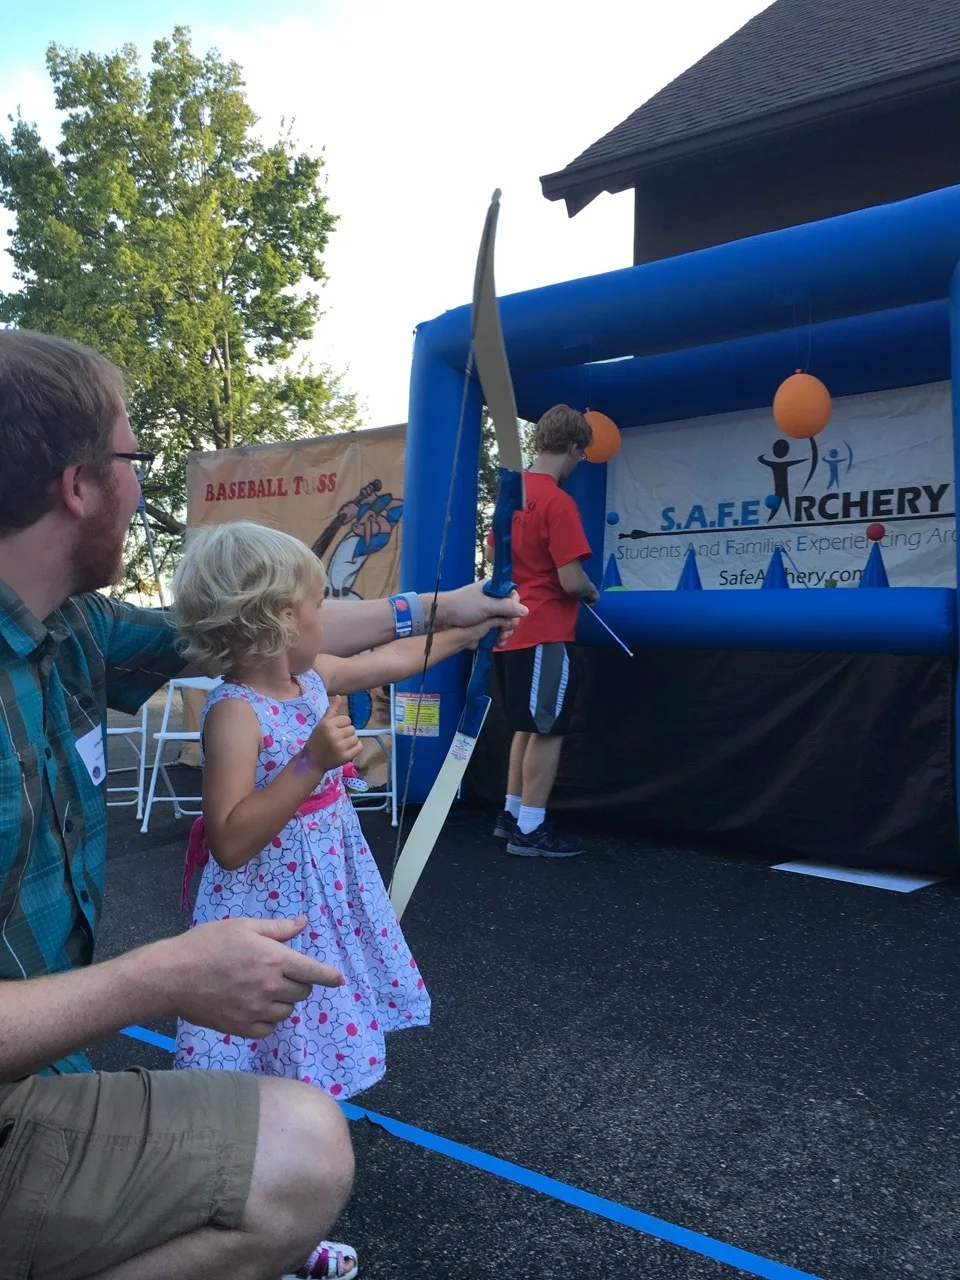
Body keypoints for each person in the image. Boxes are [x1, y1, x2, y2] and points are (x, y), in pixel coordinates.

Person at [0, 328, 525, 1280]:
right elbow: (249, 757)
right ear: (78, 485)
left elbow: (273, 630)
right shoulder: (220, 699)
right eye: (133, 459)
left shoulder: (76, 625)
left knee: (301, 1130)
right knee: (296, 1141)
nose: (143, 489)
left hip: (41, 1074)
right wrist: (161, 976)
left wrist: (444, 609)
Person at [171, 522, 494, 1274]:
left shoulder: (309, 677)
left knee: (297, 1060)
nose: (329, 615)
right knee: (259, 1066)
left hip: (318, 902)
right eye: (320, 604)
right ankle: (253, 1222)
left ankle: (278, 1215)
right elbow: (230, 839)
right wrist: (311, 763)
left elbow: (386, 659)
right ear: (283, 619)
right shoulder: (234, 711)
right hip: (268, 914)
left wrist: (470, 631)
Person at [486, 405, 598, 858]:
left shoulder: (510, 493)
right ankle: (531, 827)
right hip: (546, 628)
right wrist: (592, 592)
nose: (578, 463)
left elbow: (494, 558)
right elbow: (572, 581)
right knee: (547, 730)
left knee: (526, 726)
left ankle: (512, 814)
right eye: (581, 455)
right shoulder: (557, 501)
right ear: (571, 446)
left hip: (510, 626)